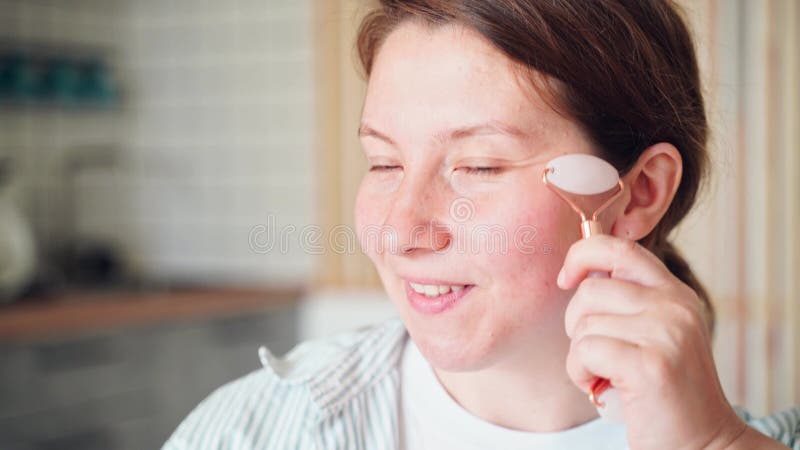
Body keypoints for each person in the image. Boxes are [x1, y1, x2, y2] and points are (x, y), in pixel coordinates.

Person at [163, 1, 800, 449]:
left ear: (637, 193)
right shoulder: (252, 431)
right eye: (384, 161)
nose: (402, 229)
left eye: (478, 165)